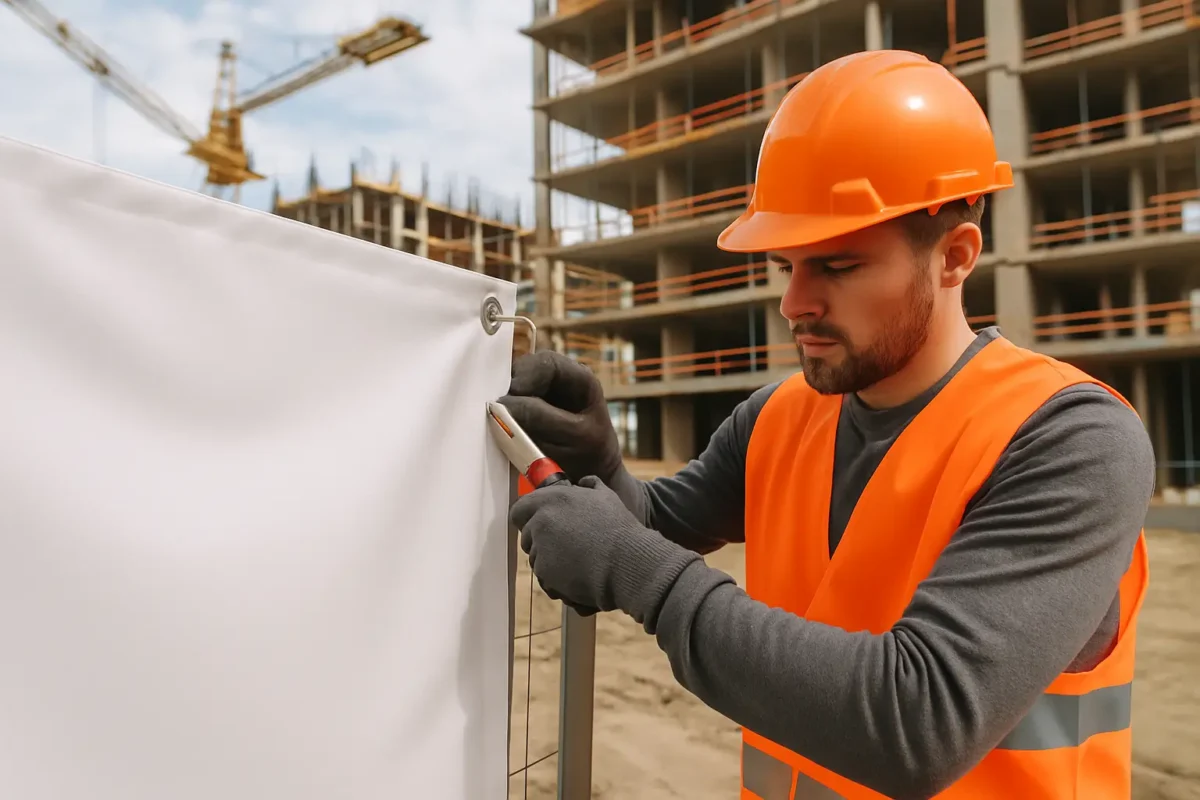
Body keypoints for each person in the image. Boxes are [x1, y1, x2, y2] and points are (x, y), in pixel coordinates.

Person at [498, 50, 1155, 800]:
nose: (795, 303)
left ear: (954, 257)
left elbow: (919, 720)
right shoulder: (778, 419)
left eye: (836, 267)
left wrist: (638, 574)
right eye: (788, 265)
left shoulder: (1069, 439)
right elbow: (653, 525)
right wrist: (599, 465)